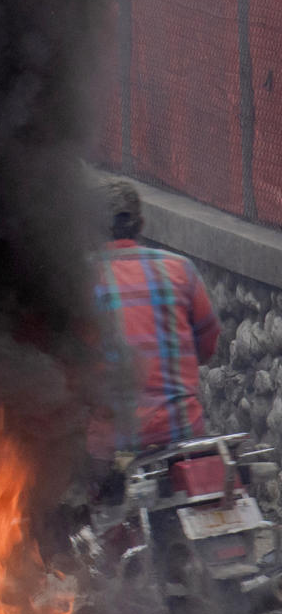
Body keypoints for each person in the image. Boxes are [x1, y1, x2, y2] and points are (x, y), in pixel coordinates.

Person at [93, 181, 221, 452]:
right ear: (141, 223)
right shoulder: (180, 269)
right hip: (181, 430)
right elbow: (208, 345)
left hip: (113, 441)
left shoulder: (81, 279)